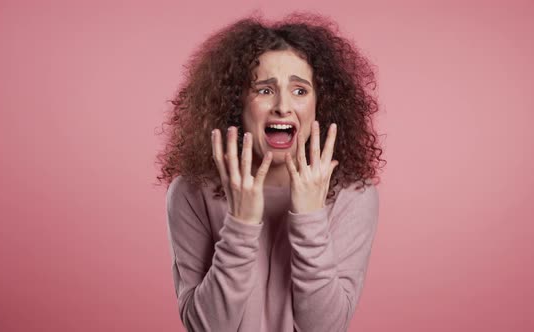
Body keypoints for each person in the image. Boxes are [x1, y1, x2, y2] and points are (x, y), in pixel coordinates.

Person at [156, 12, 385, 332]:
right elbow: (206, 327)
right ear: (236, 103)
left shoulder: (352, 194)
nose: (282, 106)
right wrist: (240, 224)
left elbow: (325, 328)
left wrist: (310, 218)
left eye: (300, 90)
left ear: (321, 105)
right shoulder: (192, 191)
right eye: (264, 90)